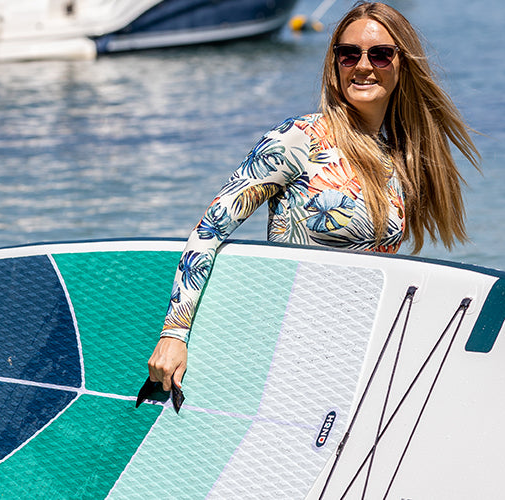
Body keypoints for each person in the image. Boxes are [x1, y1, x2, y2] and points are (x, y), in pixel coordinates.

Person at [146, 1, 480, 393]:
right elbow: (208, 231)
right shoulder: (298, 139)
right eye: (348, 54)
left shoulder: (397, 158)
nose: (363, 65)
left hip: (359, 350)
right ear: (334, 62)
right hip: (290, 346)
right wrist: (175, 332)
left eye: (381, 55)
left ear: (402, 64)